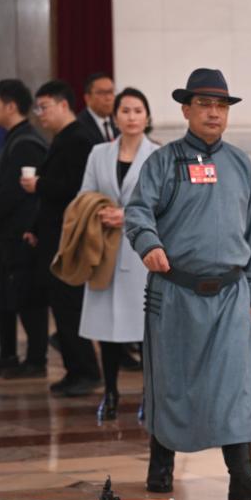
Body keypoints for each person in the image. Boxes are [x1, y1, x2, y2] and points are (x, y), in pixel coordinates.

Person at [125, 68, 251, 500]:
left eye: (221, 106)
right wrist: (149, 244)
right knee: (170, 379)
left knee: (236, 384)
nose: (214, 113)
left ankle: (242, 477)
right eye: (205, 104)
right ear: (186, 110)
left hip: (230, 294)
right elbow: (137, 212)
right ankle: (161, 466)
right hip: (175, 290)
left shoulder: (239, 163)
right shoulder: (163, 161)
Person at [77, 87, 158, 420]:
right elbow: (84, 194)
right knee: (107, 328)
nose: (131, 117)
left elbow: (162, 203)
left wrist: (126, 215)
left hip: (142, 252)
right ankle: (110, 393)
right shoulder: (99, 153)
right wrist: (101, 211)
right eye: (125, 110)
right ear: (115, 116)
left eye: (138, 111)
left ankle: (149, 395)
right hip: (105, 248)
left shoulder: (158, 155)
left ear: (147, 117)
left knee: (145, 329)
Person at [21, 80, 102, 396]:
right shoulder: (63, 138)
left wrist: (39, 185)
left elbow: (78, 189)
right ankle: (73, 369)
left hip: (69, 239)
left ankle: (86, 371)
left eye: (44, 107)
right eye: (37, 108)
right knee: (61, 305)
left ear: (64, 105)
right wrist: (36, 228)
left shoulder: (79, 139)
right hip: (54, 234)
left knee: (69, 306)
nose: (39, 114)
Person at [0, 79, 48, 379]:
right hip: (13, 233)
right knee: (13, 295)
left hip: (24, 233)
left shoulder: (26, 143)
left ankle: (36, 359)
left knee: (29, 298)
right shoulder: (16, 138)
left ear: (10, 106)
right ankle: (11, 355)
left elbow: (15, 194)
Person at [76, 72, 118, 146]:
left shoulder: (118, 122)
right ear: (87, 98)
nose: (108, 98)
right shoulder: (78, 126)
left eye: (111, 92)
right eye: (101, 93)